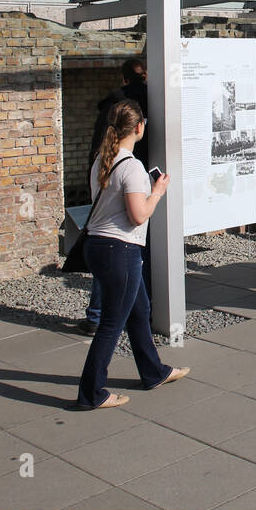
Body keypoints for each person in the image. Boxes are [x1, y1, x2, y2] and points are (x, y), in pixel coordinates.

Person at [76, 99, 187, 410]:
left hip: (98, 246)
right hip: (120, 250)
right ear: (138, 128)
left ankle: (154, 371)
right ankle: (91, 393)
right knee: (112, 324)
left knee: (140, 311)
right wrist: (158, 192)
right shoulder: (134, 167)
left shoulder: (102, 160)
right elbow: (139, 215)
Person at [82, 58, 151, 336]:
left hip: (115, 183)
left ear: (123, 79)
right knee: (129, 248)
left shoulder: (113, 108)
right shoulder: (152, 100)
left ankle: (99, 316)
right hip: (139, 180)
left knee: (114, 241)